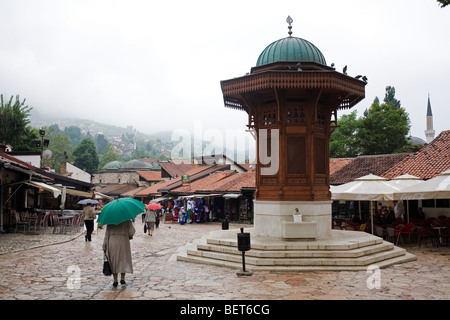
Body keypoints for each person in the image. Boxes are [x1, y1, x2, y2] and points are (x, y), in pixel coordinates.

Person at [102, 219, 136, 287]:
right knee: (124, 259)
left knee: (114, 260)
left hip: (112, 241)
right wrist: (127, 236)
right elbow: (132, 231)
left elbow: (107, 234)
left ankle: (115, 280)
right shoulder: (127, 220)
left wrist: (104, 245)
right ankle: (122, 279)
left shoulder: (110, 221)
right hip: (123, 241)